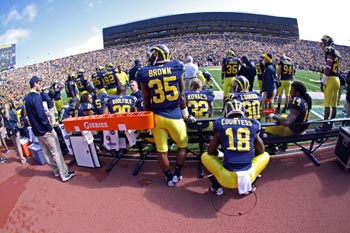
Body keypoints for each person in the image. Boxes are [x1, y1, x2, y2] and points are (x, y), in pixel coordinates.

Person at [137, 44, 196, 187]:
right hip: (175, 116)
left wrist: (149, 122)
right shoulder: (176, 67)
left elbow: (146, 102)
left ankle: (169, 177)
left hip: (157, 117)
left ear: (156, 56)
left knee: (162, 150)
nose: (149, 58)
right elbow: (181, 96)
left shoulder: (144, 72)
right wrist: (186, 114)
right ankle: (177, 173)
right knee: (182, 146)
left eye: (151, 55)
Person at [201, 99, 269, 196]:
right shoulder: (252, 123)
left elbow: (210, 151)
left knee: (204, 156)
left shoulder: (220, 124)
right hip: (248, 175)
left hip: (226, 178)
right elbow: (261, 150)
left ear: (226, 112)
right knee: (266, 155)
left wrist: (222, 154)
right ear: (243, 112)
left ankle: (216, 187)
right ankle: (251, 185)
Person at [24, 76, 75, 182]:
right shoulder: (36, 97)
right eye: (40, 83)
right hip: (44, 129)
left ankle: (56, 170)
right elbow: (41, 115)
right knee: (56, 151)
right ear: (36, 84)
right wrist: (49, 128)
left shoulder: (27, 98)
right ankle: (64, 174)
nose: (41, 86)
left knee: (46, 152)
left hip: (36, 130)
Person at [265, 81, 312, 152]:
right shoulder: (305, 99)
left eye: (292, 90)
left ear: (297, 92)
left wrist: (272, 115)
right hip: (302, 127)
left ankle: (272, 147)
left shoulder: (297, 100)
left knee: (269, 127)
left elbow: (287, 122)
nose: (290, 92)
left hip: (294, 130)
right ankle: (283, 144)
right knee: (284, 115)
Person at [319, 35, 341, 130]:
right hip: (337, 79)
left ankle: (324, 125)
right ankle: (331, 124)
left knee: (327, 104)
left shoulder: (329, 50)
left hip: (331, 79)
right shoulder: (338, 52)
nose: (323, 43)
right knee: (334, 105)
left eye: (324, 41)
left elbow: (328, 67)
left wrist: (323, 80)